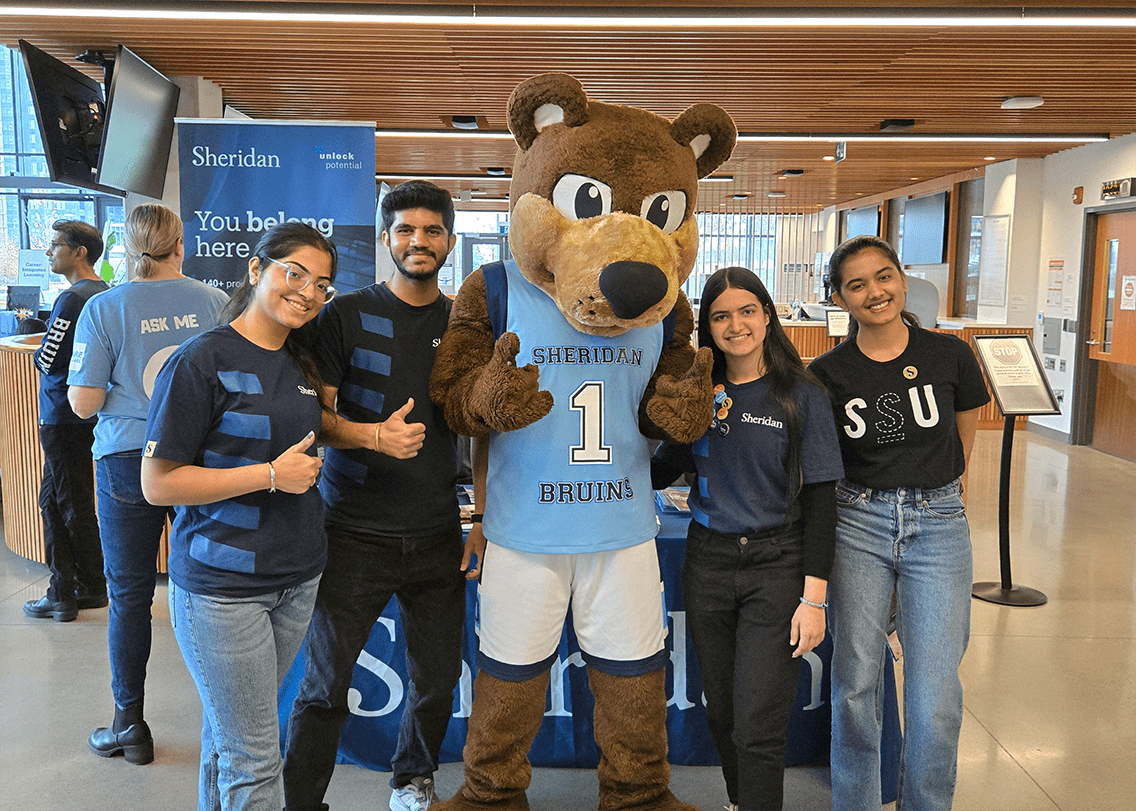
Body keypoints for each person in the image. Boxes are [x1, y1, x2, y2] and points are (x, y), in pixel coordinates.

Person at [283, 180, 470, 811]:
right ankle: (301, 798)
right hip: (354, 530)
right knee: (324, 684)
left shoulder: (465, 325)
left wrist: (486, 516)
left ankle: (413, 779)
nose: (419, 241)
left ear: (450, 239)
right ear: (387, 237)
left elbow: (488, 426)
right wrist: (373, 437)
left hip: (439, 530)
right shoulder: (345, 315)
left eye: (433, 230)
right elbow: (317, 417)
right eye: (406, 230)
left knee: (438, 677)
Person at [140, 221, 336, 811]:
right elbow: (158, 484)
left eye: (321, 283)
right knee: (255, 755)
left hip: (295, 580)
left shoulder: (300, 363)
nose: (306, 291)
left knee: (230, 740)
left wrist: (372, 437)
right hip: (223, 591)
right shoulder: (200, 360)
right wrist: (270, 475)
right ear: (256, 270)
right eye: (293, 273)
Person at [650, 266, 843, 811]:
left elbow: (821, 501)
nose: (736, 325)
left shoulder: (801, 394)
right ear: (708, 327)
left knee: (757, 720)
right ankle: (741, 801)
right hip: (707, 561)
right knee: (722, 711)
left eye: (747, 311)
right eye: (721, 316)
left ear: (766, 315)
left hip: (776, 564)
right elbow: (666, 466)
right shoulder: (699, 391)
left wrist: (814, 598)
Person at [808, 235, 990, 811]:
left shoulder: (949, 353)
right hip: (857, 522)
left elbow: (965, 428)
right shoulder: (826, 373)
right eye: (856, 285)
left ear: (902, 279)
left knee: (934, 695)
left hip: (938, 524)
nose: (874, 292)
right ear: (840, 298)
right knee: (856, 685)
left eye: (883, 276)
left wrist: (945, 488)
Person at [68, 203, 229, 765]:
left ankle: (128, 724)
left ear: (125, 249)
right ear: (180, 244)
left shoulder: (103, 307)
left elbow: (83, 404)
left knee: (129, 595)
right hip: (197, 459)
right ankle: (226, 715)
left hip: (126, 461)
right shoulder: (214, 303)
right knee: (208, 588)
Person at [23, 220, 108, 623]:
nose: (49, 251)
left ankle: (65, 592)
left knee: (62, 503)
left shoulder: (72, 299)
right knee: (64, 499)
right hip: (87, 415)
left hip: (60, 415)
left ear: (80, 252)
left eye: (56, 244)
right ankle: (86, 584)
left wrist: (40, 347)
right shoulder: (106, 294)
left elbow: (48, 358)